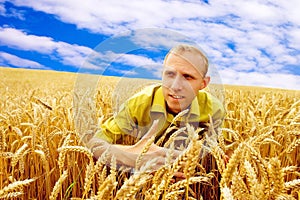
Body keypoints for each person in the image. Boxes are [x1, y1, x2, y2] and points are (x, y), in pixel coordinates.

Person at [87, 44, 225, 170]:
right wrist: (131, 157)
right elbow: (95, 143)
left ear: (204, 83)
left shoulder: (214, 110)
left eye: (188, 77)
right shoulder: (140, 103)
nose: (175, 86)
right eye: (170, 74)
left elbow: (215, 151)